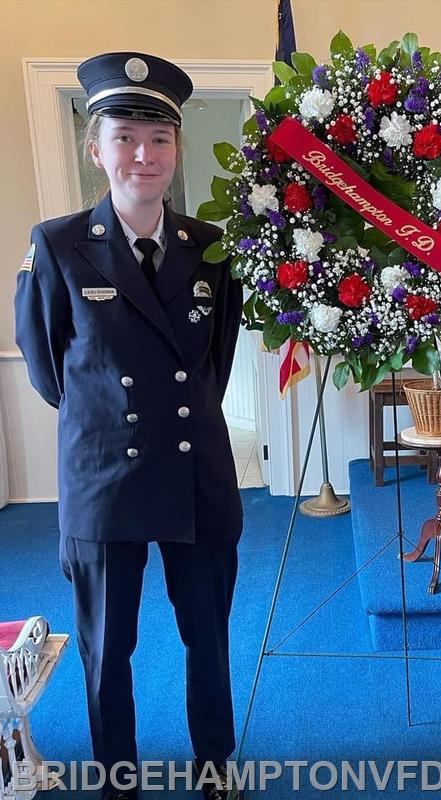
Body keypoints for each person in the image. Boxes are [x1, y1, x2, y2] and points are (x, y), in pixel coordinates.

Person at [15, 52, 244, 800]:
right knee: (107, 649)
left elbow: (215, 364)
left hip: (195, 474)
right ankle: (119, 779)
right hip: (104, 477)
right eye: (125, 137)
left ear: (177, 150)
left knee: (207, 641)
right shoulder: (55, 246)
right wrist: (110, 423)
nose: (143, 155)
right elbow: (52, 372)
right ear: (96, 147)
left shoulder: (212, 248)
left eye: (159, 139)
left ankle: (216, 767)